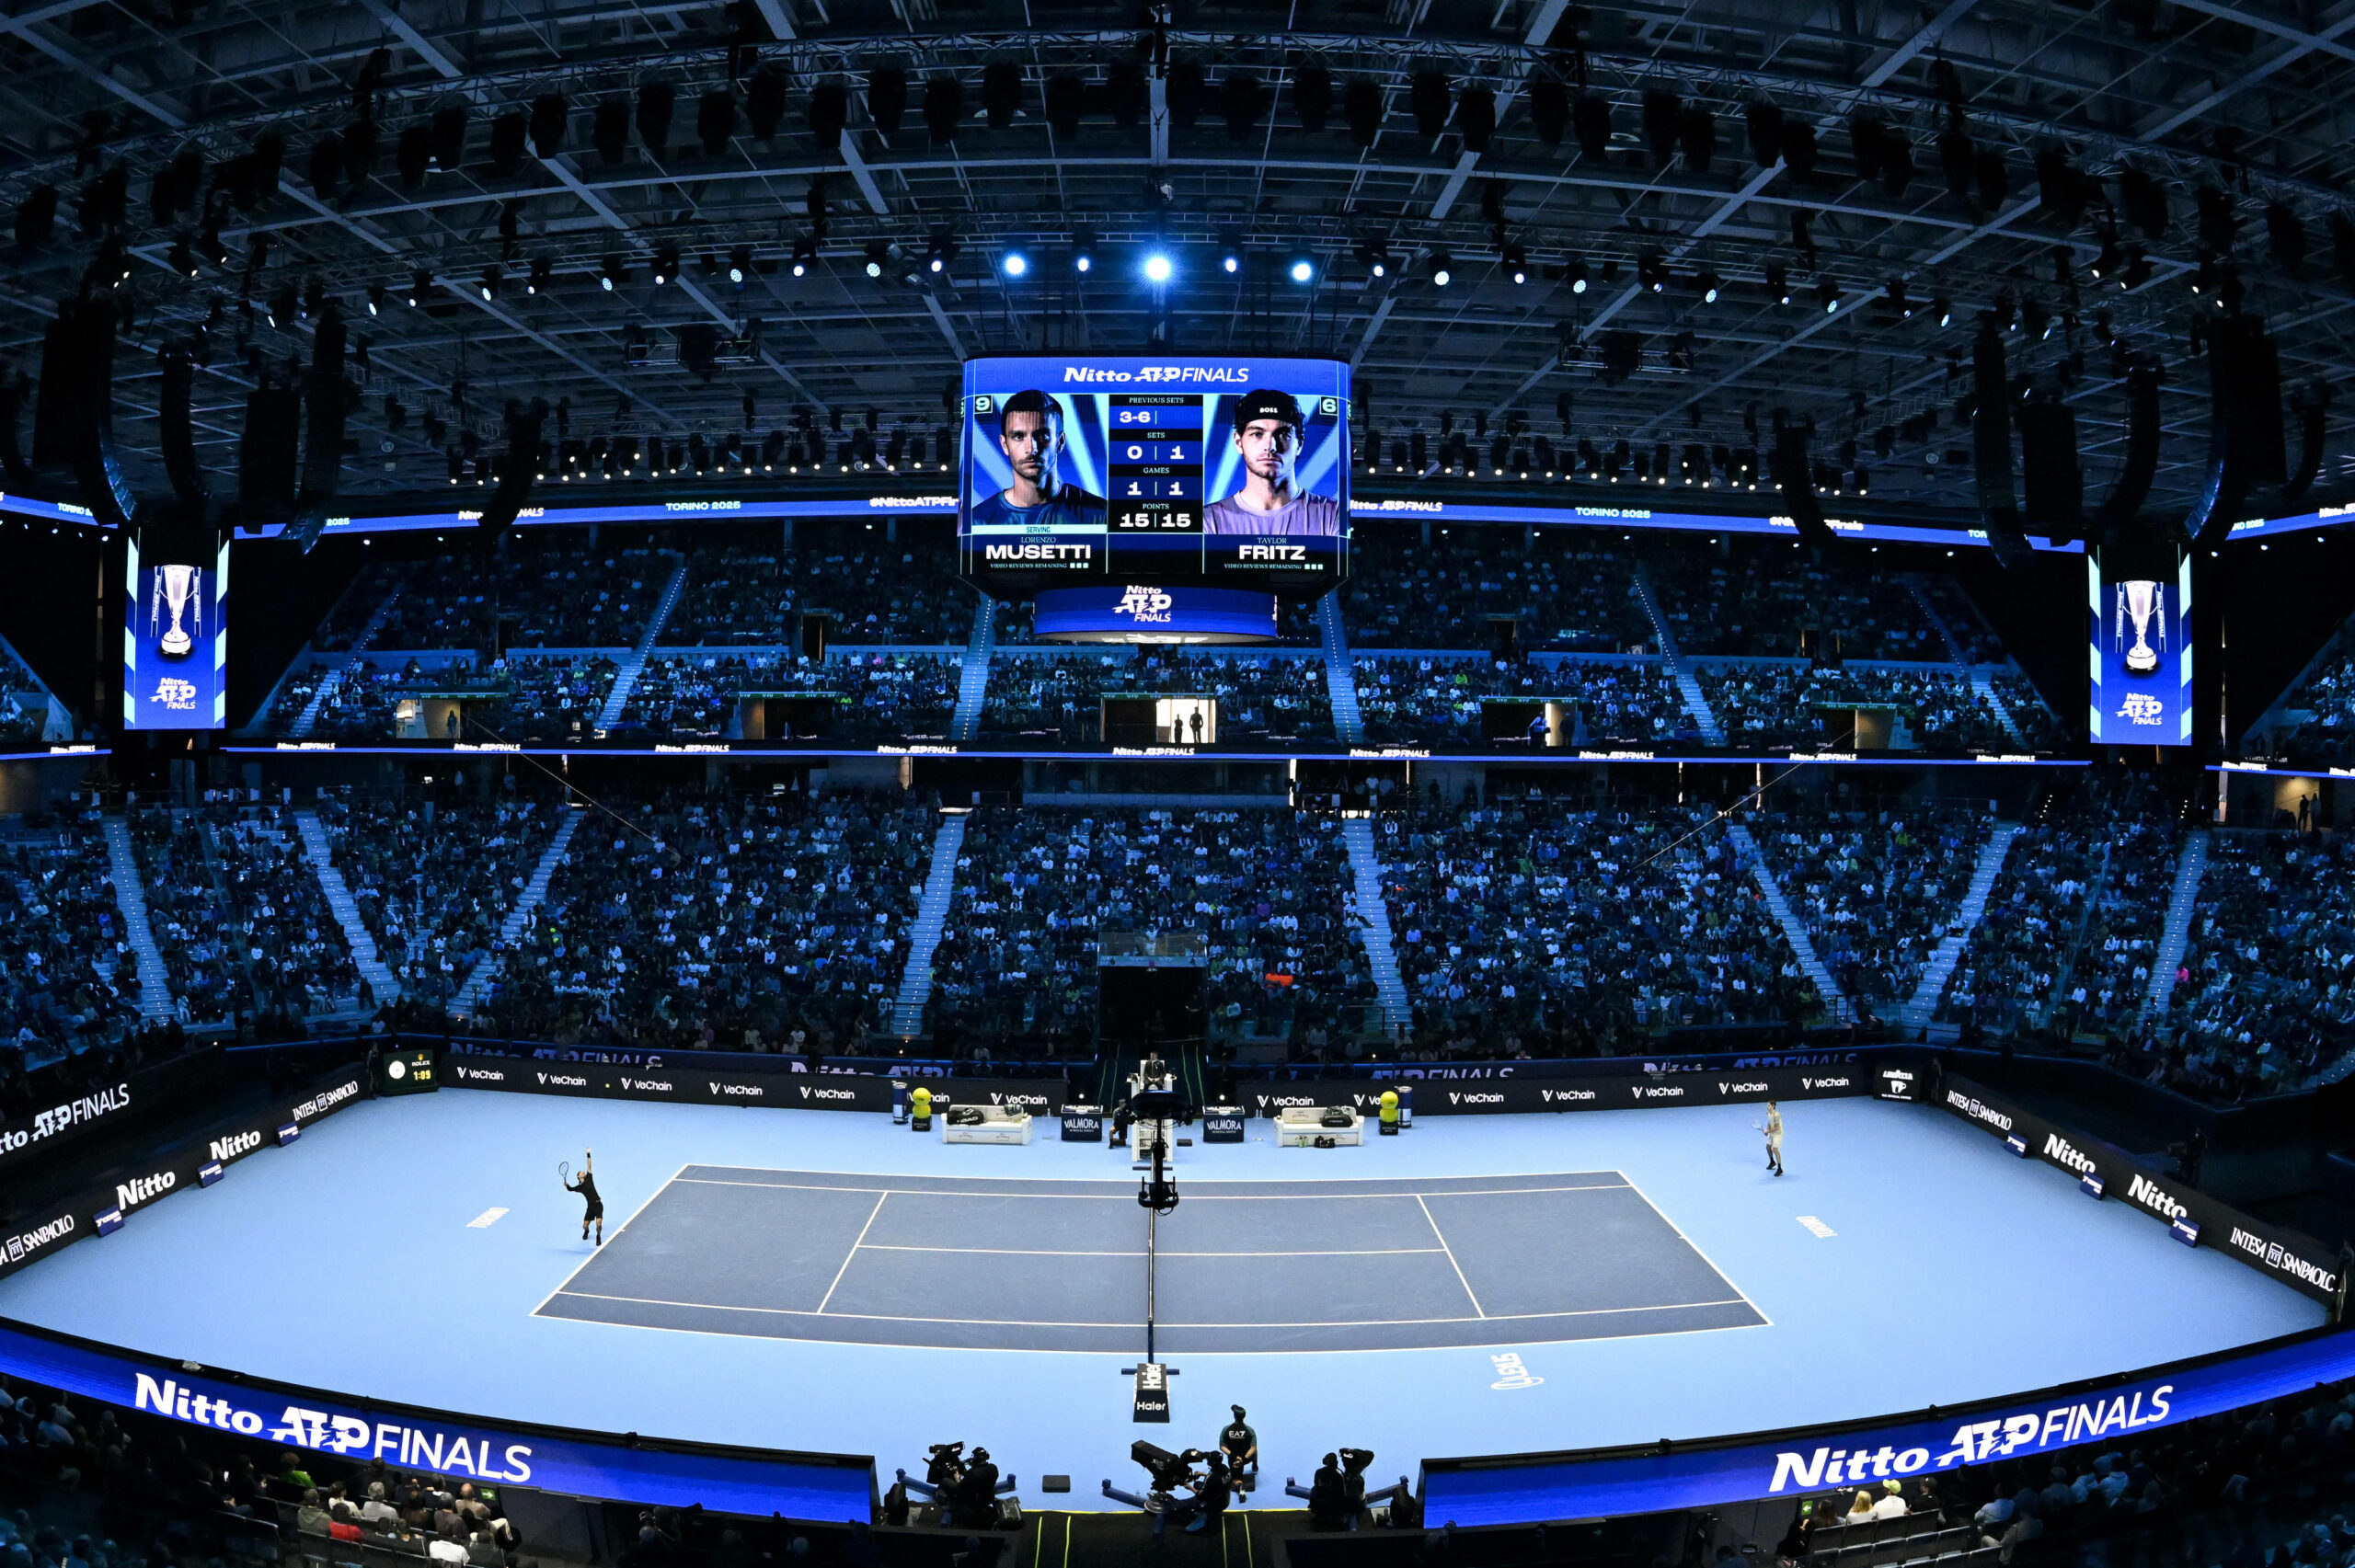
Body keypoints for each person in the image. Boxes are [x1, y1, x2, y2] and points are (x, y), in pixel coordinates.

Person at [1203, 390, 1343, 536]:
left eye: (1283, 435)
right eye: (1257, 434)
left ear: (1299, 444)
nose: (1271, 446)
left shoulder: (1332, 515)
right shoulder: (1209, 520)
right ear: (1238, 442)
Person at [968, 392, 1104, 530]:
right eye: (1018, 436)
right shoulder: (978, 521)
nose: (1031, 449)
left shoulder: (1100, 515)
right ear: (1004, 444)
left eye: (1042, 436)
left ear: (1060, 442)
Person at [565, 1150, 604, 1244]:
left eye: (583, 1172)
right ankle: (586, 1231)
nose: (583, 1172)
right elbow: (570, 1189)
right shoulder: (580, 1187)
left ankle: (598, 1237)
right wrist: (567, 1186)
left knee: (599, 1223)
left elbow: (589, 1165)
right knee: (584, 1226)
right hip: (590, 1208)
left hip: (598, 1205)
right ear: (578, 1176)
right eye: (581, 1172)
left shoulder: (589, 1177)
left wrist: (588, 1153)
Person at [1218, 1405, 1258, 1488]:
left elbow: (1222, 1446)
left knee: (1236, 1479)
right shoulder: (1250, 1430)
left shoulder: (1226, 1429)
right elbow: (1253, 1448)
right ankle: (1255, 1466)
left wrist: (1234, 1456)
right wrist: (1243, 1459)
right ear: (1244, 1416)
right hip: (1246, 1458)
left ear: (1234, 1416)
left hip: (1234, 1461)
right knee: (1255, 1451)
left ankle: (1239, 1486)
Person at [1764, 1101, 1785, 1177]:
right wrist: (1767, 1130)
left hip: (1777, 1133)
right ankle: (1772, 1162)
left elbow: (1777, 1127)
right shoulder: (1768, 1113)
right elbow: (1769, 1122)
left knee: (1775, 1149)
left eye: (1769, 1105)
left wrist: (1768, 1131)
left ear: (1773, 1106)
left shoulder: (1776, 1114)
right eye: (1767, 1105)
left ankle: (1780, 1169)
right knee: (1768, 1147)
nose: (1767, 1106)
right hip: (1771, 1132)